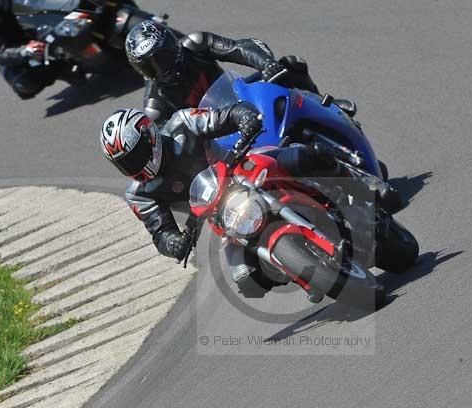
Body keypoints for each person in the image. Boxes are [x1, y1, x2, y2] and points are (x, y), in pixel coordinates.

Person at [99, 104, 345, 295]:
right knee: (247, 280)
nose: (134, 165)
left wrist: (244, 118)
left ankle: (358, 186)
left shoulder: (182, 123)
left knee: (307, 156)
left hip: (243, 170)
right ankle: (304, 270)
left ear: (148, 136)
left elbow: (225, 116)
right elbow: (160, 232)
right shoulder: (139, 193)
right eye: (125, 163)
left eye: (135, 156)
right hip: (221, 216)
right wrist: (175, 244)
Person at [124, 20, 357, 123]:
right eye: (151, 65)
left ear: (171, 44)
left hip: (243, 96)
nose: (161, 67)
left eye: (162, 56)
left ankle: (331, 109)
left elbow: (240, 47)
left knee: (292, 65)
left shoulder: (195, 44)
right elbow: (172, 144)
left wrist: (266, 64)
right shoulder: (156, 105)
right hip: (218, 138)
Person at [0, 0, 78, 99]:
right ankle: (63, 67)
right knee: (24, 84)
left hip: (28, 14)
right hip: (10, 42)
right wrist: (25, 51)